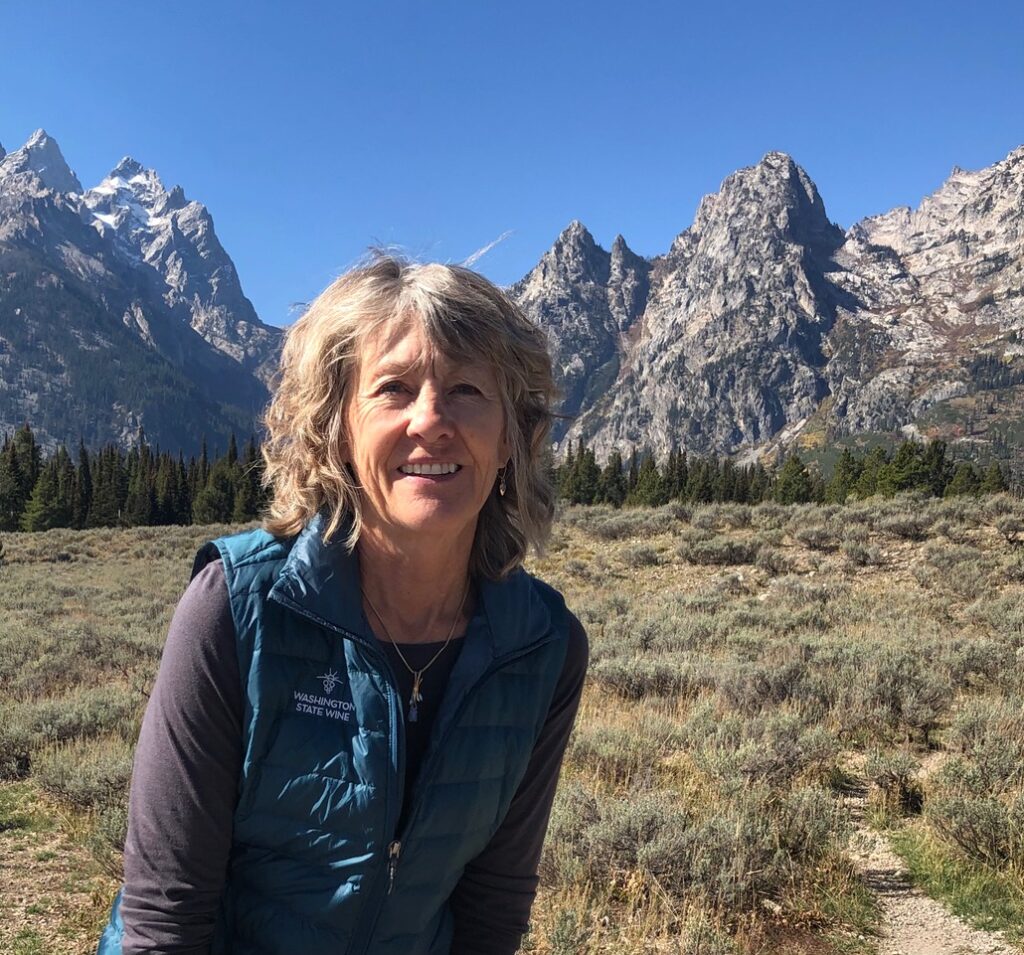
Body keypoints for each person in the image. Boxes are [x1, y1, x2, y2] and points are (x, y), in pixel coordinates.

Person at [96, 254, 589, 955]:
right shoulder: (238, 610)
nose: (432, 420)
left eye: (467, 389)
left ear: (510, 436)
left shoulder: (542, 648)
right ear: (338, 431)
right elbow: (164, 922)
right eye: (393, 389)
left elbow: (492, 909)